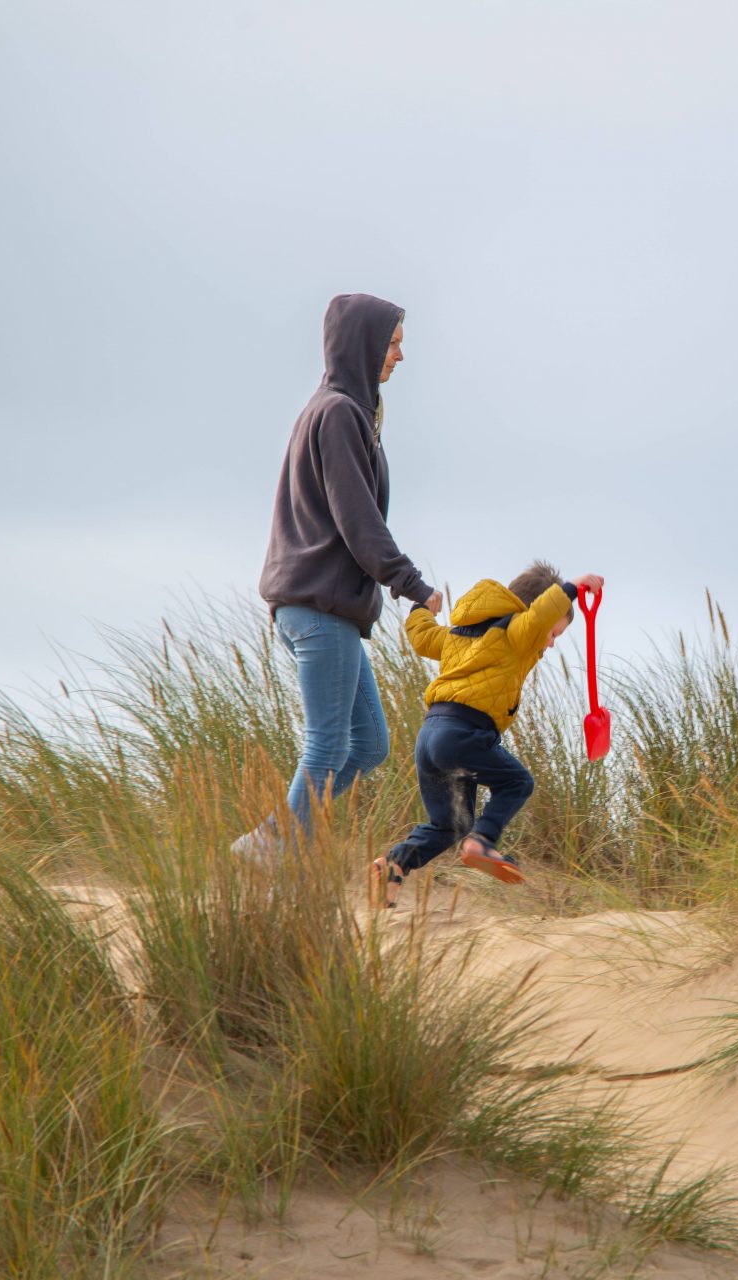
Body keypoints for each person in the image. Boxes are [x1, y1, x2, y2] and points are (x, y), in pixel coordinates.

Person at [231, 293, 442, 861]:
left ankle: (276, 840)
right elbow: (358, 521)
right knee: (326, 744)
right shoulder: (338, 413)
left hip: (326, 609)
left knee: (368, 744)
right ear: (365, 345)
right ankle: (270, 854)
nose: (400, 356)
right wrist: (413, 585)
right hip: (318, 607)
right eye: (393, 343)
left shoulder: (342, 410)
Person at [370, 561, 605, 908]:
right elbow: (539, 617)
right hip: (464, 733)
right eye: (553, 634)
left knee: (449, 825)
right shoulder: (517, 632)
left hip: (430, 737)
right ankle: (482, 841)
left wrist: (421, 608)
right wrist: (572, 587)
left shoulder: (458, 636)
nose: (551, 644)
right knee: (517, 783)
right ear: (531, 612)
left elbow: (422, 638)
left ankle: (393, 866)